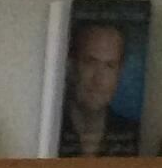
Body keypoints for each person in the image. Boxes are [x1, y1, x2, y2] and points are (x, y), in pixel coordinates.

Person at [60, 17, 142, 157]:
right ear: (71, 65)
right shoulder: (49, 127)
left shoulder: (131, 134)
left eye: (110, 66)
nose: (99, 80)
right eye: (90, 63)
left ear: (119, 71)